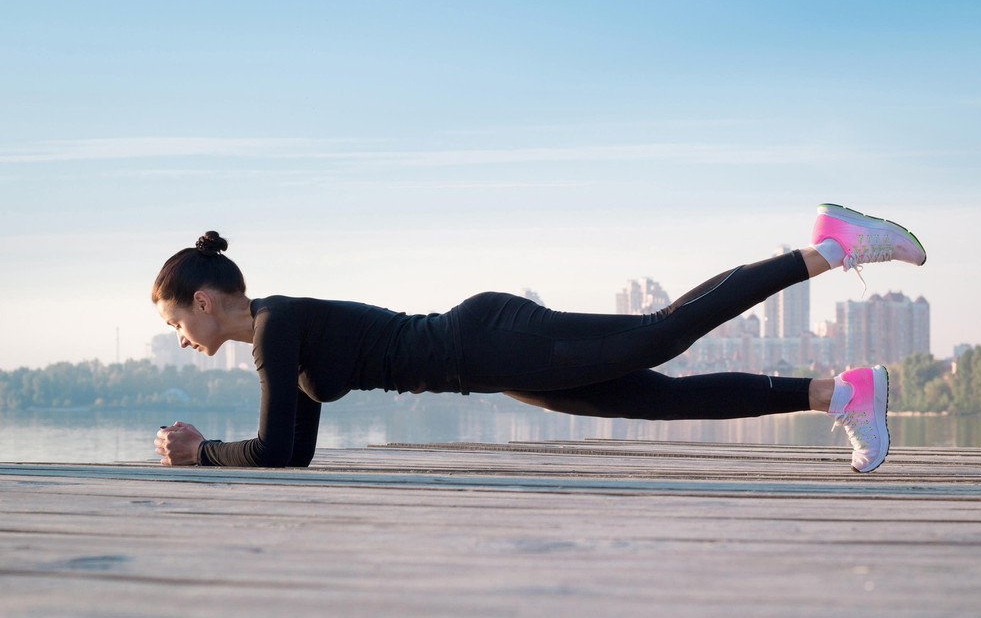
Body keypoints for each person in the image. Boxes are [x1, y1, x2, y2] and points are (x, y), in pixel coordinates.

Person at [153, 204, 926, 473]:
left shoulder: (278, 327)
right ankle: (839, 393)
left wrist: (200, 453)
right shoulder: (281, 336)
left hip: (486, 340)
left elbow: (267, 450)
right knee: (658, 398)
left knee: (662, 333)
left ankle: (830, 245)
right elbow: (291, 453)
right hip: (489, 365)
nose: (181, 337)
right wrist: (213, 453)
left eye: (176, 321)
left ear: (209, 299)